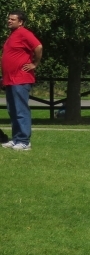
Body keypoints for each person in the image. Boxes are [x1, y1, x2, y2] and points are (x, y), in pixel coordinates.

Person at [2, 11, 42, 152]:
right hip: (10, 80)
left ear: (21, 22)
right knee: (12, 111)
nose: (9, 21)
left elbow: (38, 46)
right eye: (8, 19)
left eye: (13, 19)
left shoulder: (24, 33)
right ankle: (16, 139)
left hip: (21, 79)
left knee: (20, 110)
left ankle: (24, 141)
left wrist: (34, 64)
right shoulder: (12, 36)